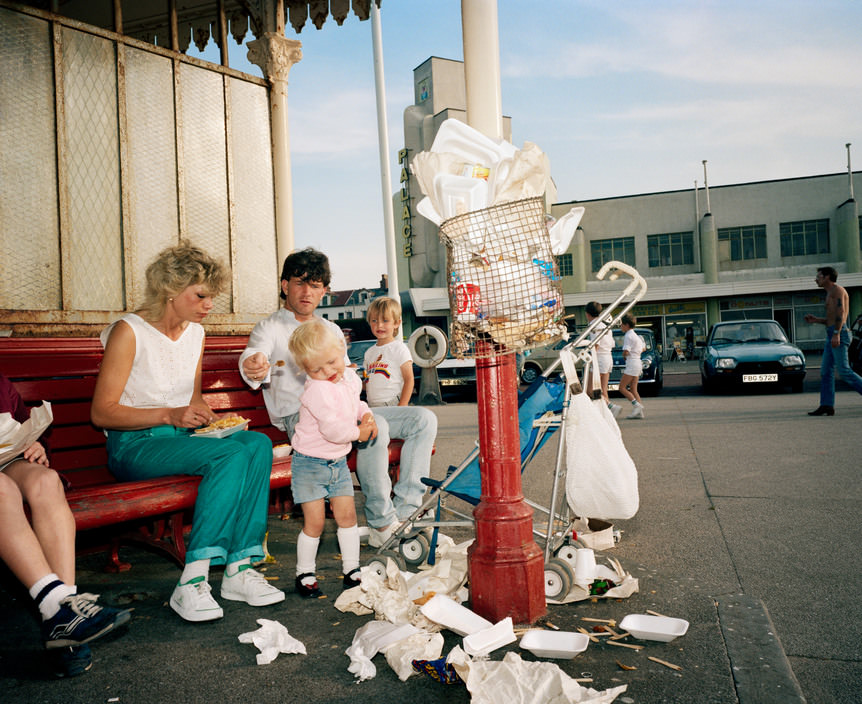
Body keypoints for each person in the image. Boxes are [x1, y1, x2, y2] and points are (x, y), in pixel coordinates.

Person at [91, 242, 284, 623]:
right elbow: (102, 413)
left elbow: (190, 401)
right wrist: (170, 414)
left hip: (181, 442)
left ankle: (239, 569)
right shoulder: (129, 332)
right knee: (231, 455)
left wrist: (203, 416)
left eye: (211, 296)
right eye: (201, 295)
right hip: (135, 447)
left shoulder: (195, 334)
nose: (209, 304)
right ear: (170, 290)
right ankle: (192, 581)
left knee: (257, 443)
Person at [239, 248, 437, 549]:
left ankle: (406, 512)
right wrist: (253, 364)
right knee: (377, 429)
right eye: (299, 283)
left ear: (324, 291)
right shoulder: (270, 327)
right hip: (303, 418)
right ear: (285, 286)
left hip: (345, 411)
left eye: (315, 285)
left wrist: (362, 409)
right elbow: (255, 355)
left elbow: (345, 379)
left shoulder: (330, 329)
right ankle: (382, 522)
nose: (307, 292)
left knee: (423, 419)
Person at [1, 374, 130, 678]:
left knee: (46, 480)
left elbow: (19, 424)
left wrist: (32, 444)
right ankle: (60, 613)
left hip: (6, 461)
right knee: (2, 490)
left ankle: (63, 617)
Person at [288, 320, 373, 598]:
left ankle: (351, 569)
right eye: (316, 369)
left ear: (341, 349)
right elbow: (333, 430)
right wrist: (359, 433)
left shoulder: (346, 377)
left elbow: (353, 403)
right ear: (305, 370)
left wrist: (365, 413)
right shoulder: (316, 390)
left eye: (331, 362)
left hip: (336, 463)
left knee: (347, 516)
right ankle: (304, 572)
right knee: (315, 523)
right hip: (309, 464)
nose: (326, 372)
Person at [804, 266, 862, 416]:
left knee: (844, 371)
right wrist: (817, 320)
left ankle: (827, 404)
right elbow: (831, 319)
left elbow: (841, 314)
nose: (816, 279)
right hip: (832, 333)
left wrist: (836, 333)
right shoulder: (829, 293)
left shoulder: (837, 291)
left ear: (827, 277)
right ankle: (827, 405)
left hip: (839, 334)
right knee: (825, 371)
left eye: (819, 276)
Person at [363, 297, 414, 407]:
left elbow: (409, 379)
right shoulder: (369, 353)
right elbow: (368, 380)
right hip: (372, 405)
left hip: (393, 403)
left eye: (385, 320)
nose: (379, 325)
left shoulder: (399, 348)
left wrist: (402, 406)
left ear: (396, 323)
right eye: (374, 320)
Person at [584, 301, 621, 418]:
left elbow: (595, 345)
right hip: (608, 358)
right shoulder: (605, 325)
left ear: (587, 314)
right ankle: (607, 414)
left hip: (599, 359)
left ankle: (610, 407)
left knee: (590, 390)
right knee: (603, 391)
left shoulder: (595, 326)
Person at [619, 314, 646, 419]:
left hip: (632, 363)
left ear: (626, 325)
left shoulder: (628, 336)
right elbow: (643, 349)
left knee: (622, 387)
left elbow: (626, 351)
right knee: (634, 389)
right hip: (638, 362)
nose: (620, 326)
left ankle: (637, 406)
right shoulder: (636, 336)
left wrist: (624, 356)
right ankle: (639, 413)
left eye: (621, 324)